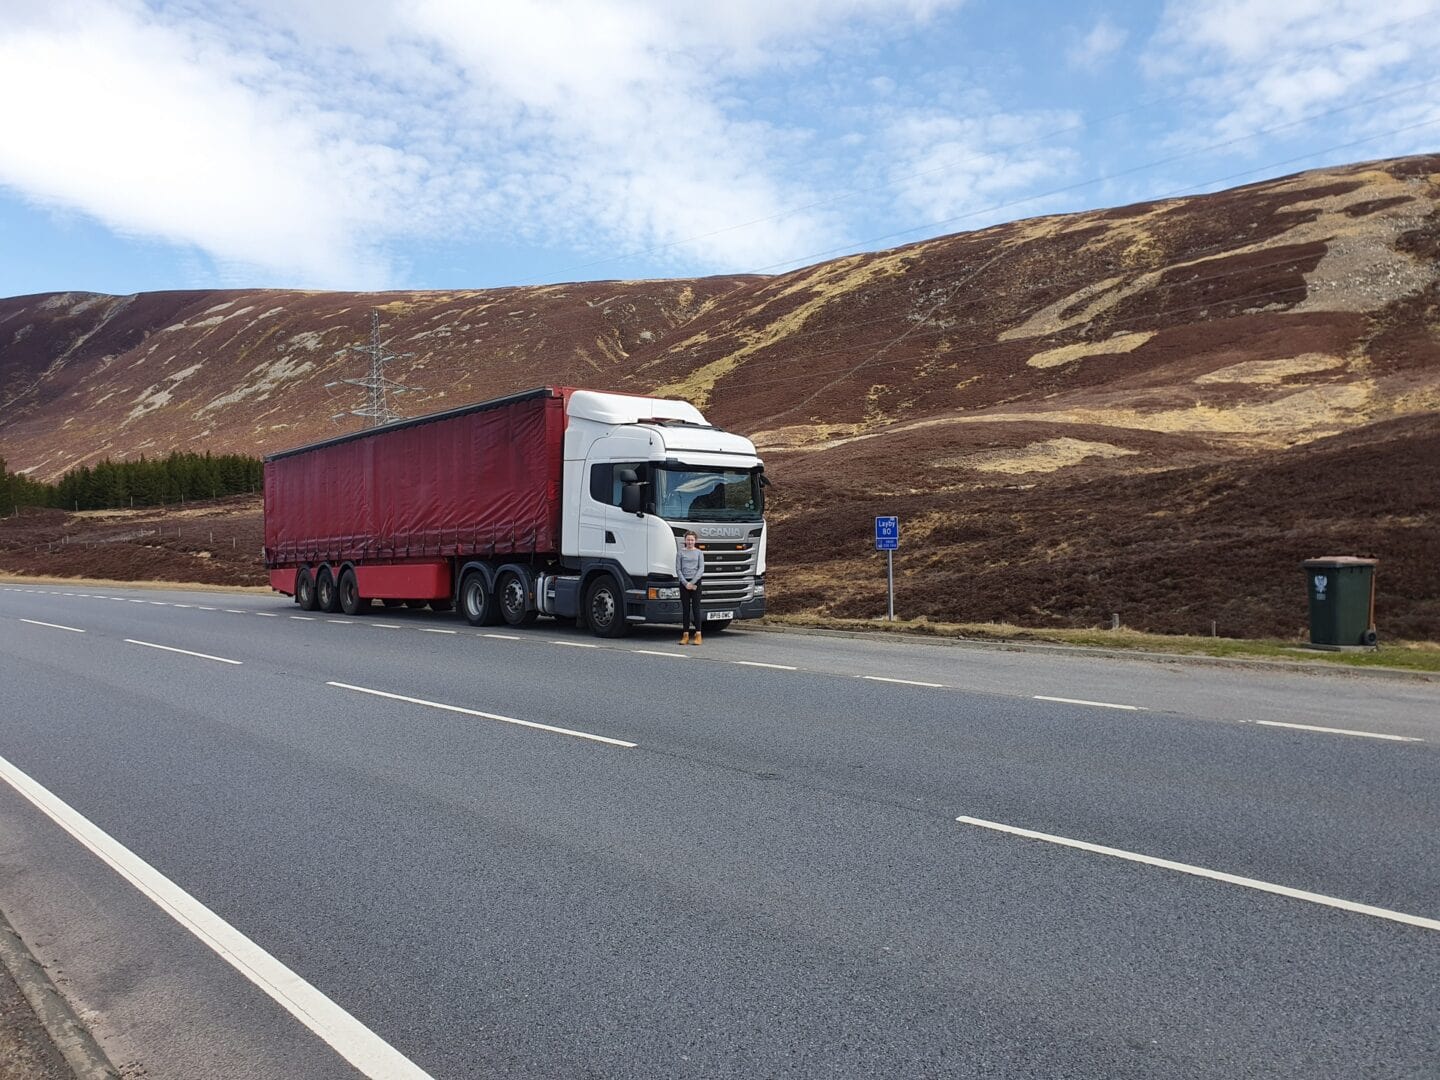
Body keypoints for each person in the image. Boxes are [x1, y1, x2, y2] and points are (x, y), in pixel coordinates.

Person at [676, 530, 705, 645]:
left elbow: (701, 569)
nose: (690, 542)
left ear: (695, 541)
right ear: (685, 540)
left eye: (692, 540)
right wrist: (685, 583)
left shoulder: (699, 553)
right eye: (688, 539)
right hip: (684, 583)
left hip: (696, 582)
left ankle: (698, 634)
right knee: (686, 610)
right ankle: (685, 634)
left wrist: (692, 582)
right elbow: (678, 569)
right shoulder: (680, 553)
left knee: (696, 609)